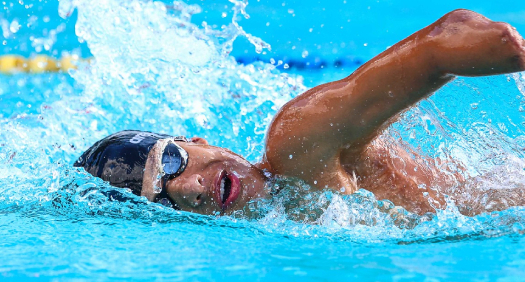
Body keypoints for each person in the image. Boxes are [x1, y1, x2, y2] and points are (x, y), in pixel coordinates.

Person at [75, 9, 525, 216]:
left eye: (171, 162)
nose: (188, 189)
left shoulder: (298, 141)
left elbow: (443, 41)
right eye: (164, 198)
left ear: (196, 140)